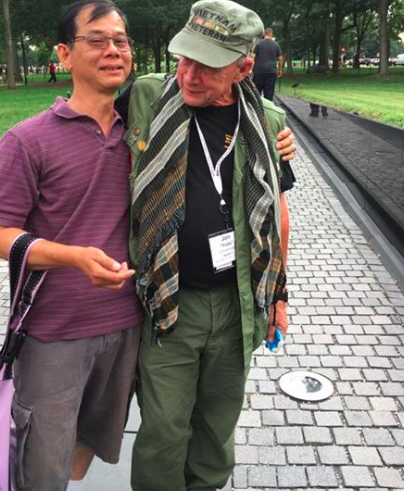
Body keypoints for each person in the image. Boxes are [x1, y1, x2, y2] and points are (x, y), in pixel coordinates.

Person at [122, 1, 291, 490]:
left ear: (243, 67)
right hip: (172, 302)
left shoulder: (268, 122)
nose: (190, 75)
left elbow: (277, 210)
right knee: (163, 430)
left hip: (238, 304)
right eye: (184, 58)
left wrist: (278, 291)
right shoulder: (148, 97)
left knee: (217, 429)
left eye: (207, 65)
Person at [0, 2, 143, 490]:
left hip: (127, 327)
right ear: (64, 54)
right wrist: (72, 257)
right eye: (96, 39)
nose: (113, 50)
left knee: (90, 443)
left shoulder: (141, 133)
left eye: (121, 40)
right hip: (54, 333)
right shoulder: (27, 140)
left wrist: (275, 135)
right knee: (41, 465)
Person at [253, 27, 283, 101]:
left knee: (256, 95)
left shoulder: (258, 44)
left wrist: (250, 70)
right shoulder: (276, 44)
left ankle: (258, 111)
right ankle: (268, 111)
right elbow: (280, 58)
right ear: (271, 34)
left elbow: (252, 57)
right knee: (269, 96)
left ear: (264, 34)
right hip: (271, 72)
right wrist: (280, 70)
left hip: (258, 72)